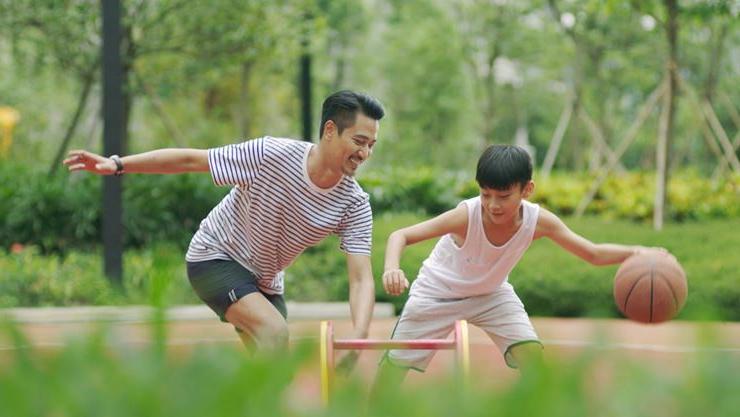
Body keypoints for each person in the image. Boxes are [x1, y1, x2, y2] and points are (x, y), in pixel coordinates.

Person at [64, 90, 385, 357]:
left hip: (264, 281)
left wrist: (358, 336)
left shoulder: (354, 204)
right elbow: (192, 160)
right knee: (274, 333)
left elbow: (360, 279)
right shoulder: (269, 155)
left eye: (371, 145)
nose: (365, 153)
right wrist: (117, 164)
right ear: (330, 130)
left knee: (270, 363)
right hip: (215, 257)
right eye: (359, 141)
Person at [374, 144, 666, 386]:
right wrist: (392, 268)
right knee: (393, 370)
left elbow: (592, 253)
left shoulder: (539, 221)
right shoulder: (466, 215)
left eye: (503, 196)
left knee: (534, 360)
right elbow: (401, 235)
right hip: (436, 293)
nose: (493, 205)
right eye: (485, 194)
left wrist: (640, 251)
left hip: (491, 296)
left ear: (527, 189)